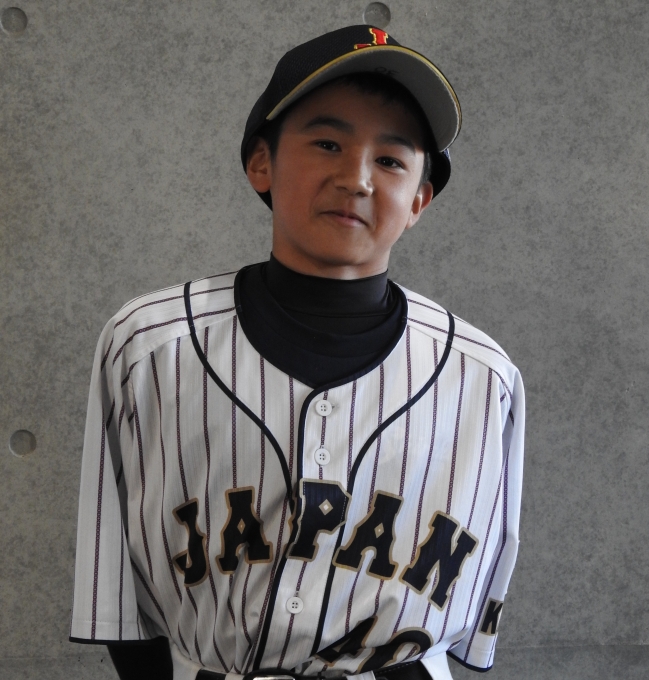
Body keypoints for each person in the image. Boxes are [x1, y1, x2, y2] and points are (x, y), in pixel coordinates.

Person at [70, 24, 525, 680]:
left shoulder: (483, 375)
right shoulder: (148, 345)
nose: (356, 178)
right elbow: (114, 596)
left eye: (391, 160)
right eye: (327, 143)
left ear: (419, 200)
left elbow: (472, 610)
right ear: (263, 162)